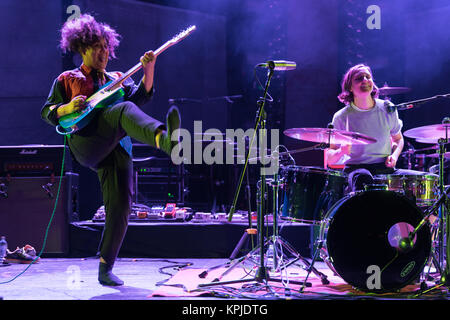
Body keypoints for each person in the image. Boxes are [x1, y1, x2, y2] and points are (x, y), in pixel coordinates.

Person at [41, 14, 180, 286]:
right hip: (86, 141)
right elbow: (47, 111)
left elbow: (140, 97)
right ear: (82, 48)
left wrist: (149, 69)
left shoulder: (117, 78)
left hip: (115, 145)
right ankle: (164, 139)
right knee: (123, 110)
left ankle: (105, 268)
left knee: (120, 205)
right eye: (97, 46)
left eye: (106, 46)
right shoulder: (68, 78)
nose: (104, 52)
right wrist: (69, 107)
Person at [326, 63, 427, 192]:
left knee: (425, 179)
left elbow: (398, 139)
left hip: (385, 169)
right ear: (350, 87)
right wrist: (341, 152)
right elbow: (330, 158)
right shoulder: (341, 117)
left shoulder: (387, 108)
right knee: (363, 178)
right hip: (356, 169)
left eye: (368, 77)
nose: (365, 80)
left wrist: (395, 156)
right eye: (359, 78)